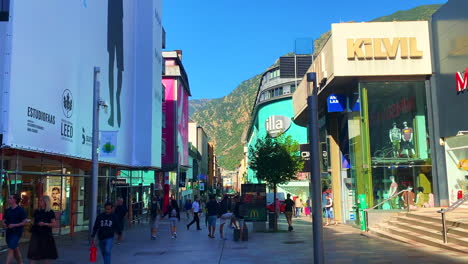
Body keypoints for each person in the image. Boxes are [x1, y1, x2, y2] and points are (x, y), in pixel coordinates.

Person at [27, 195, 58, 263]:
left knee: (45, 255)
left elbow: (55, 224)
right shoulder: (36, 211)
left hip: (46, 235)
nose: (39, 202)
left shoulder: (50, 212)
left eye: (41, 200)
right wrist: (30, 223)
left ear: (45, 202)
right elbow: (34, 221)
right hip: (36, 234)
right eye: (39, 200)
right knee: (33, 255)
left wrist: (45, 224)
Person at [4, 194, 27, 264]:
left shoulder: (21, 210)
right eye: (9, 198)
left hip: (16, 232)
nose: (9, 199)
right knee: (15, 248)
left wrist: (14, 225)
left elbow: (24, 222)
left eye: (10, 198)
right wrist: (4, 224)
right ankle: (20, 262)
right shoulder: (7, 210)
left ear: (15, 200)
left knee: (11, 248)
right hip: (8, 232)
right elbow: (4, 220)